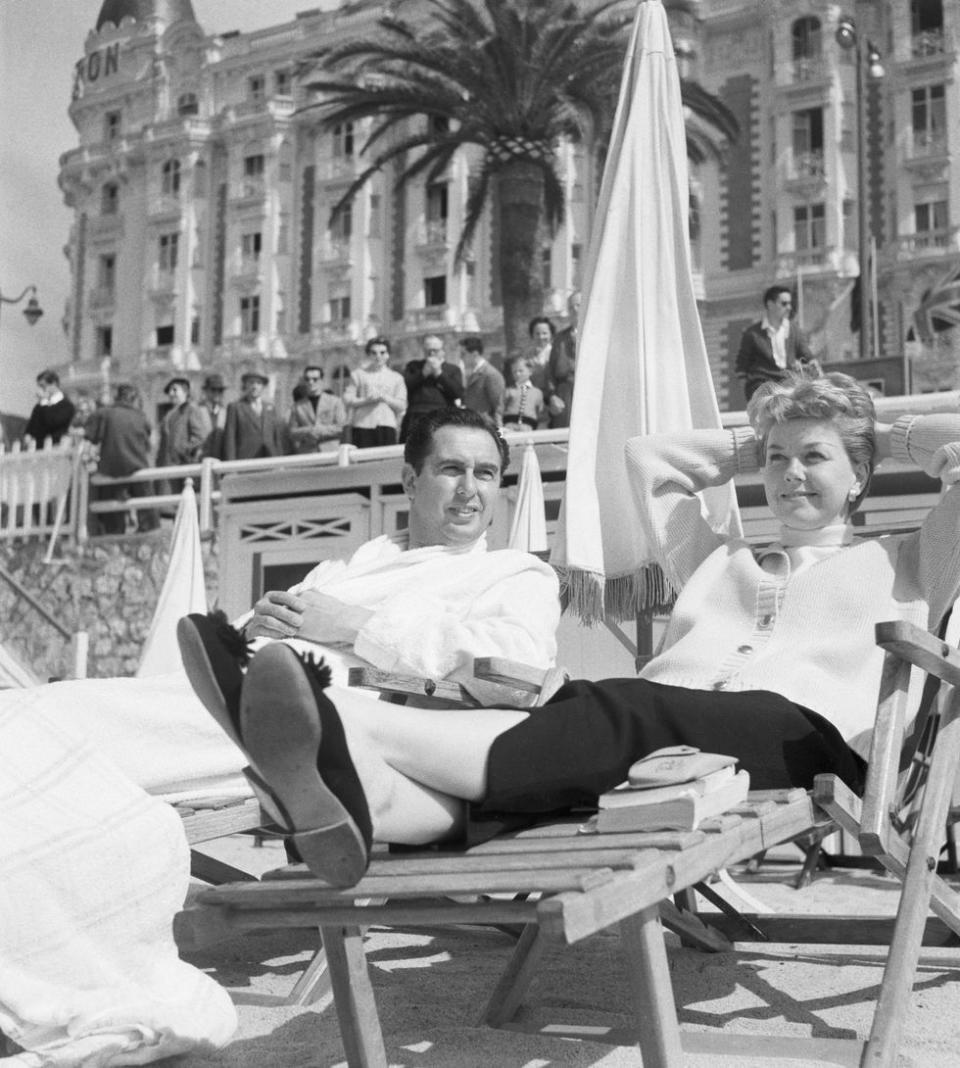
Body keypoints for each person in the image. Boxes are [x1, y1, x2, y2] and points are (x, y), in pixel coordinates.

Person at [206, 373, 960, 887]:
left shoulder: (908, 560)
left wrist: (870, 432)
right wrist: (771, 434)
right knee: (578, 705)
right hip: (665, 747)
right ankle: (357, 779)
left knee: (623, 705)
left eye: (815, 459)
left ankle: (336, 726)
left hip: (806, 740)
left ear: (859, 476)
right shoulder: (719, 557)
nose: (791, 473)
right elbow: (649, 460)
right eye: (776, 460)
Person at [0, 408, 559, 800]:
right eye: (452, 469)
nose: (470, 489)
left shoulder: (512, 573)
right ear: (411, 481)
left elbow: (517, 674)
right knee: (62, 708)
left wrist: (357, 624)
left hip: (328, 717)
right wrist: (253, 624)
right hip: (243, 687)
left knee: (60, 722)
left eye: (486, 473)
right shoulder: (353, 564)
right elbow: (272, 628)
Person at [85, 383, 159, 534]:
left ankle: (113, 536)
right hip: (137, 468)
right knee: (148, 510)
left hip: (110, 469)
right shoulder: (141, 417)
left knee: (111, 516)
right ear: (134, 399)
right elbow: (148, 443)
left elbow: (90, 436)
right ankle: (147, 531)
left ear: (117, 397)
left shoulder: (103, 413)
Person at [736, 284, 817, 401]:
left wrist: (815, 368)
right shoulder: (752, 333)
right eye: (784, 304)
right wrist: (750, 397)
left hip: (788, 384)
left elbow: (808, 356)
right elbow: (741, 368)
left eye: (790, 304)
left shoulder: (794, 330)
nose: (789, 308)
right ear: (770, 305)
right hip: (762, 386)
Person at [344, 336, 407, 448]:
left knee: (386, 462)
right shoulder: (358, 374)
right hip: (363, 425)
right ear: (369, 355)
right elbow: (347, 399)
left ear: (388, 354)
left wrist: (385, 398)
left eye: (382, 353)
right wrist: (366, 400)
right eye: (374, 353)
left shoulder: (396, 377)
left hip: (387, 425)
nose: (378, 356)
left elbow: (402, 405)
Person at [400, 334, 464, 442]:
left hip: (445, 415)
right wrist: (423, 373)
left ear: (442, 351)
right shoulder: (413, 366)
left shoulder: (453, 369)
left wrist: (439, 374)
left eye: (435, 350)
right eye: (428, 350)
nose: (431, 354)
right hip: (417, 415)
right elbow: (405, 386)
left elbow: (458, 392)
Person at [222, 371, 283, 460]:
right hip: (245, 460)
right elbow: (230, 440)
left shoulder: (270, 408)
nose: (254, 387)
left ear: (263, 387)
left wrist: (280, 461)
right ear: (245, 385)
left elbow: (276, 439)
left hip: (269, 460)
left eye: (258, 383)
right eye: (251, 383)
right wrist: (231, 466)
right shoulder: (235, 407)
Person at [287, 365, 347, 454]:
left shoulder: (335, 402)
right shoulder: (297, 406)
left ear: (322, 380)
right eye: (307, 379)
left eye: (315, 379)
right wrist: (309, 431)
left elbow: (341, 427)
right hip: (308, 453)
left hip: (331, 451)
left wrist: (320, 430)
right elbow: (292, 432)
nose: (311, 382)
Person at [545, 291, 580, 429]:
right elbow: (551, 372)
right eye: (571, 307)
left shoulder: (597, 336)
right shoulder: (560, 338)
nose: (575, 310)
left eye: (579, 305)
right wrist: (552, 396)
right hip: (564, 395)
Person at [157, 377, 205, 468]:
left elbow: (199, 437)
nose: (171, 394)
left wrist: (183, 450)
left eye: (175, 390)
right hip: (167, 465)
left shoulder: (191, 410)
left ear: (185, 392)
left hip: (185, 465)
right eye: (170, 391)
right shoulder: (169, 415)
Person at [23, 370, 76, 447]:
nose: (41, 389)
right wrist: (28, 435)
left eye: (43, 386)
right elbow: (31, 426)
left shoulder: (66, 405)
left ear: (53, 384)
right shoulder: (39, 406)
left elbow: (52, 423)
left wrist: (44, 403)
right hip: (37, 447)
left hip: (56, 446)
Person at [460, 335, 504, 426]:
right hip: (475, 424)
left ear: (475, 354)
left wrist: (497, 428)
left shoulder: (491, 374)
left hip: (487, 426)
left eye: (463, 354)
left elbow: (498, 405)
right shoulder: (474, 372)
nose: (461, 358)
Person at [502, 355, 544, 431]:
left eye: (521, 371)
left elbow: (541, 414)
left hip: (528, 427)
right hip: (509, 426)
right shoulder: (509, 391)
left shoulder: (537, 393)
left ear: (530, 371)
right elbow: (500, 410)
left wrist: (539, 430)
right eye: (514, 372)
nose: (517, 374)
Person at [198, 373, 228, 459]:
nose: (217, 393)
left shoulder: (226, 412)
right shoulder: (197, 410)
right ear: (206, 391)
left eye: (220, 390)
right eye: (213, 390)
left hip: (221, 458)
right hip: (201, 458)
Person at [526, 315, 555, 397]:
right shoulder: (527, 354)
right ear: (532, 335)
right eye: (537, 334)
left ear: (551, 334)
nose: (541, 337)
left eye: (544, 333)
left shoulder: (554, 353)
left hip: (552, 395)